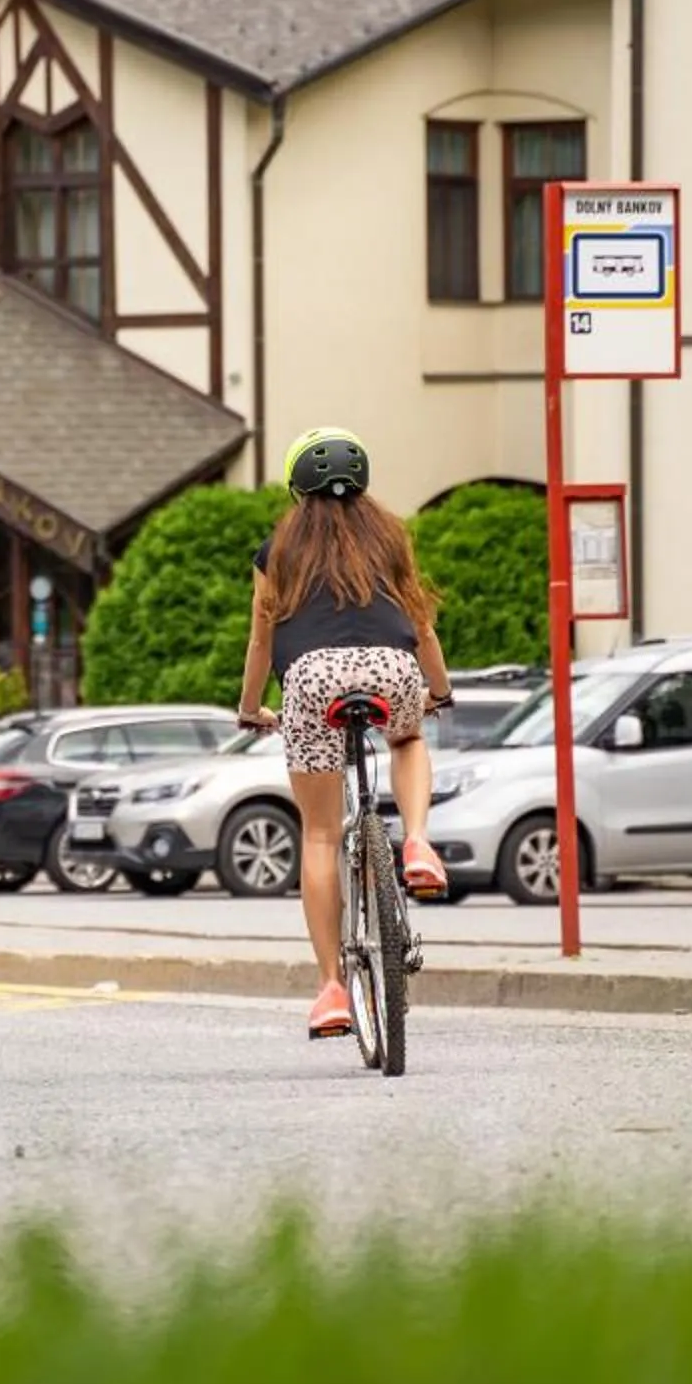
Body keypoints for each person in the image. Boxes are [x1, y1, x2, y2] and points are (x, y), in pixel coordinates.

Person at [233, 428, 455, 1041]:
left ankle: (332, 989)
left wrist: (251, 706)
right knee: (407, 740)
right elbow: (422, 625)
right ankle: (415, 843)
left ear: (294, 487)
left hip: (307, 679)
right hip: (393, 668)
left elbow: (261, 640)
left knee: (322, 833)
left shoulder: (275, 551)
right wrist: (440, 690)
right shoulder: (390, 538)